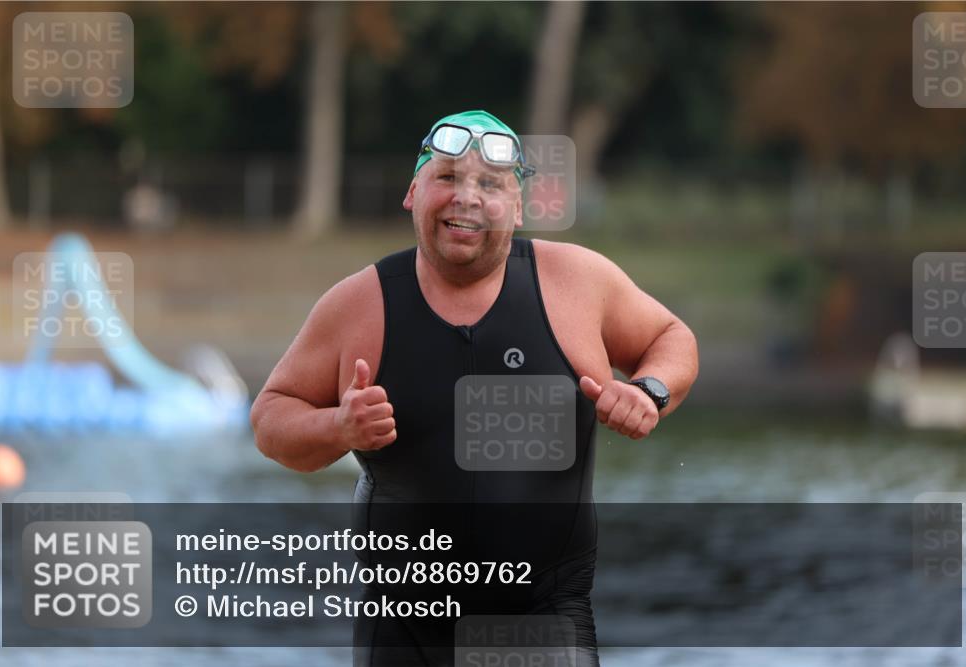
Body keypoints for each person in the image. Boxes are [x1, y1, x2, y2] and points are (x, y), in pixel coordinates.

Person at [251, 110, 699, 666]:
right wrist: (337, 426)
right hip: (402, 632)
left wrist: (649, 391)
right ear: (413, 193)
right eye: (447, 177)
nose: (466, 197)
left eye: (490, 184)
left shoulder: (578, 282)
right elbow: (270, 418)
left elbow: (671, 337)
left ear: (519, 207)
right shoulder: (358, 304)